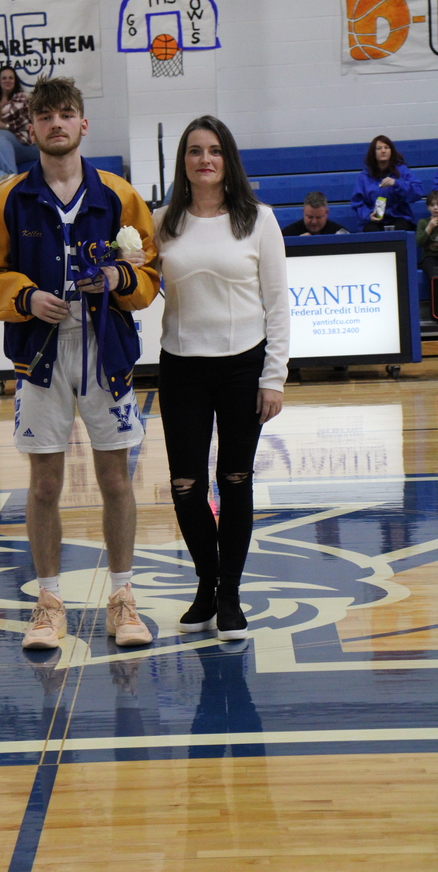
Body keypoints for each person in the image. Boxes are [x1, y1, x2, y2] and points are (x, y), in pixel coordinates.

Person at [0, 77, 160, 650]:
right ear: (32, 128)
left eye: (66, 114)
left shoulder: (121, 197)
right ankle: (48, 603)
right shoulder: (4, 199)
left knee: (115, 479)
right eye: (45, 116)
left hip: (105, 350)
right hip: (41, 356)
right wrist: (24, 297)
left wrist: (118, 278)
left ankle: (123, 598)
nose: (56, 124)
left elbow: (149, 275)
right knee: (45, 483)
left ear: (83, 124)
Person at [154, 116, 289, 641]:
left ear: (227, 159)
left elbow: (278, 305)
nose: (204, 159)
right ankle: (206, 583)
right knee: (186, 487)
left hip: (242, 368)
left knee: (235, 481)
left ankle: (229, 594)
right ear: (182, 162)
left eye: (213, 150)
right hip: (181, 366)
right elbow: (139, 288)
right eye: (194, 151)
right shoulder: (161, 223)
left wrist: (273, 377)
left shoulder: (259, 220)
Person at [351, 135, 422, 231]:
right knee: (371, 230)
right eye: (379, 148)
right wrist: (368, 215)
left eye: (386, 147)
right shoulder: (363, 177)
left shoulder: (402, 171)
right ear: (373, 153)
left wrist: (397, 183)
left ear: (391, 151)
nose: (383, 151)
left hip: (399, 218)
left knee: (402, 228)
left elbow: (417, 192)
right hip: (375, 220)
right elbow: (357, 202)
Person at [281, 191, 348, 236]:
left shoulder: (338, 233)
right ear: (303, 212)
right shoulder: (288, 234)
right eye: (310, 217)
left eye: (318, 217)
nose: (314, 222)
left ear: (326, 213)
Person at [416, 189, 438, 284]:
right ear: (427, 207)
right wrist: (429, 227)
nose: (436, 208)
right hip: (429, 256)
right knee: (434, 272)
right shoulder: (423, 222)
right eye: (432, 205)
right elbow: (419, 242)